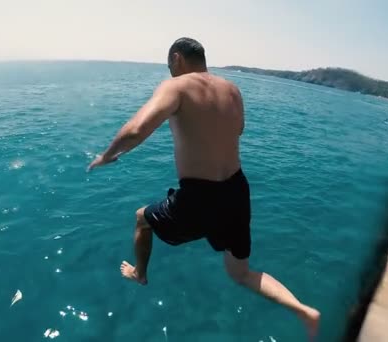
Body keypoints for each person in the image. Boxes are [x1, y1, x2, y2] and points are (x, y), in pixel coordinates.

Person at [87, 37, 320, 340]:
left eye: (169, 64)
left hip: (199, 196)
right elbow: (238, 129)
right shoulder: (233, 90)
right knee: (242, 273)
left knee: (141, 218)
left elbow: (135, 129)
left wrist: (107, 156)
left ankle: (140, 274)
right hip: (237, 190)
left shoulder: (177, 86)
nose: (169, 70)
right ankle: (303, 309)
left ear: (177, 58)